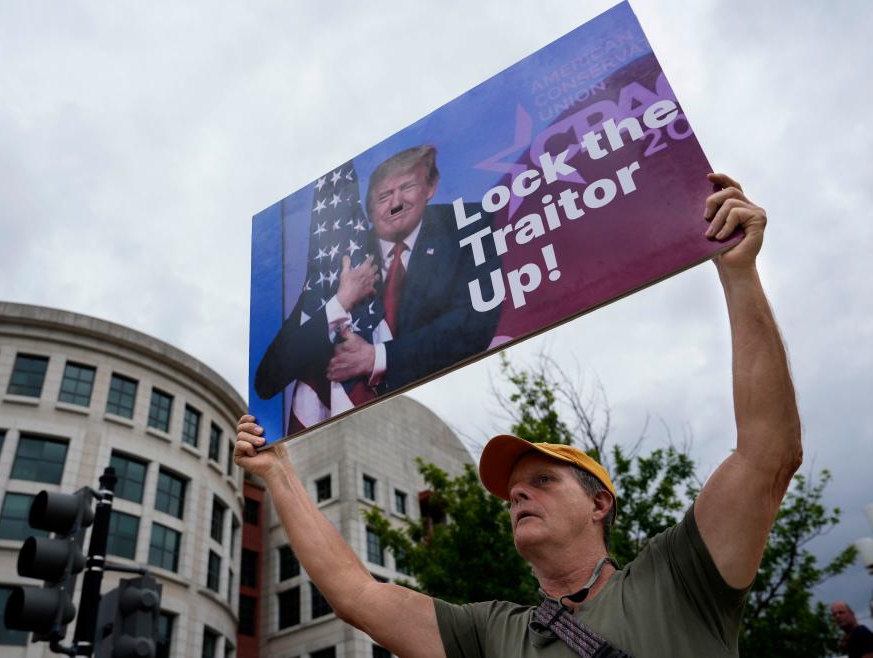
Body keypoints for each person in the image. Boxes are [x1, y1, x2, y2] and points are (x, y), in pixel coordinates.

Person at [236, 172, 802, 658]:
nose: (519, 496)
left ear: (600, 503)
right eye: (514, 492)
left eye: (542, 480)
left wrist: (738, 273)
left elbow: (766, 454)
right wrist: (279, 473)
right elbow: (357, 595)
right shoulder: (488, 635)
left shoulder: (679, 579)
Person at [254, 146, 501, 415]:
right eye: (384, 196)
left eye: (407, 187)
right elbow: (267, 379)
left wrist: (376, 357)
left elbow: (475, 324)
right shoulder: (343, 263)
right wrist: (340, 302)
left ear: (430, 187)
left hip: (458, 405)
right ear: (369, 207)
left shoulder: (466, 225)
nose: (395, 203)